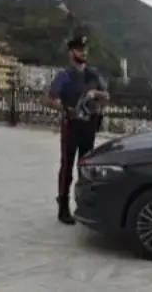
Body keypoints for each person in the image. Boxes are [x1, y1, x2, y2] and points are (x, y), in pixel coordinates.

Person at [46, 34, 109, 224]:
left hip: (89, 125)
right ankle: (63, 206)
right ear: (71, 53)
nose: (84, 53)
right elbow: (48, 99)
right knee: (67, 166)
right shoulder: (64, 76)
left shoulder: (93, 74)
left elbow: (106, 96)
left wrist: (95, 93)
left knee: (86, 167)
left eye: (85, 50)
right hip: (71, 125)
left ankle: (85, 205)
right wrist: (65, 109)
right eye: (80, 50)